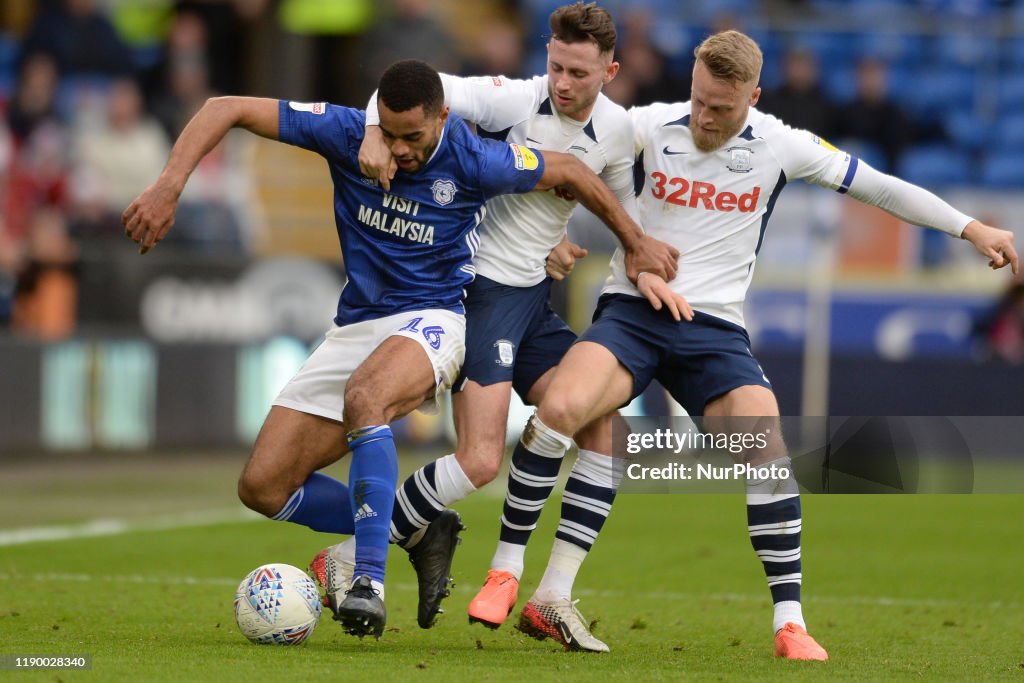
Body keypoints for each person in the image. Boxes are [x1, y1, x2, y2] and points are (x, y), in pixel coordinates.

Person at [487, 29, 1018, 659]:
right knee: (563, 408)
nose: (707, 119)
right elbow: (560, 159)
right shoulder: (645, 126)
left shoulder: (781, 145)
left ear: (754, 97)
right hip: (631, 313)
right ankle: (508, 575)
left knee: (762, 444)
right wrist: (540, 240)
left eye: (724, 109)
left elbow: (878, 185)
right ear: (692, 83)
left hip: (713, 332)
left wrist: (970, 227)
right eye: (702, 101)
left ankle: (789, 623)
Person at [122, 58, 677, 640]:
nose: (400, 149)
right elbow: (224, 108)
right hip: (354, 325)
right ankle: (415, 529)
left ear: (442, 117)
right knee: (262, 487)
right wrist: (168, 186)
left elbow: (570, 169)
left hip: (433, 321)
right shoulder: (345, 134)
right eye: (387, 133)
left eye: (412, 136)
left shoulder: (473, 158)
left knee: (369, 398)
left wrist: (634, 242)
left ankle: (366, 581)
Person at [307, 2, 684, 649]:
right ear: (546, 55)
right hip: (478, 293)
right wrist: (373, 126)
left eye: (580, 73)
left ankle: (552, 596)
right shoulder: (510, 100)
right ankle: (344, 556)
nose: (563, 83)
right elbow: (413, 83)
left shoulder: (621, 133)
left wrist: (637, 266)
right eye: (557, 66)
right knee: (481, 459)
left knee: (604, 430)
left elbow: (623, 216)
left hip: (535, 299)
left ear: (611, 71)